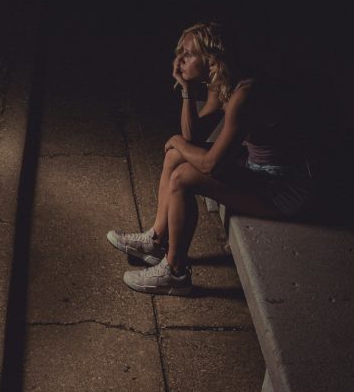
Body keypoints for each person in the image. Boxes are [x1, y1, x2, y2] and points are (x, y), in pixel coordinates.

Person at [107, 22, 313, 296]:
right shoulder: (222, 83)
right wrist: (187, 90)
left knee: (182, 177)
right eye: (180, 52)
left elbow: (209, 164)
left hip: (283, 188)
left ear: (212, 60)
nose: (179, 59)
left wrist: (178, 142)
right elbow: (192, 136)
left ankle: (176, 272)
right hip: (256, 169)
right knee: (174, 156)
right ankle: (156, 241)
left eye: (188, 54)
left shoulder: (244, 94)